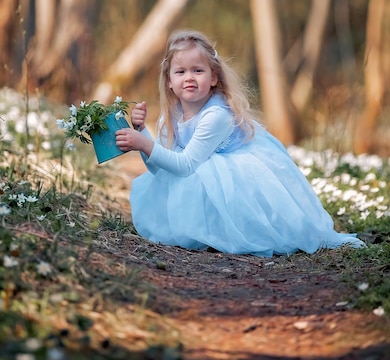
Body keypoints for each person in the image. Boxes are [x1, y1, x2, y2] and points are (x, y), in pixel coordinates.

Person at [115, 29, 365, 257]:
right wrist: (142, 134)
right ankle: (206, 229)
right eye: (181, 72)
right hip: (198, 166)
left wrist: (143, 143)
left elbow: (185, 165)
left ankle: (230, 229)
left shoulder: (217, 115)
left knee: (206, 178)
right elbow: (161, 167)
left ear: (214, 78)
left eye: (198, 70)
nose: (189, 77)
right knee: (188, 180)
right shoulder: (172, 113)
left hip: (239, 172)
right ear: (169, 81)